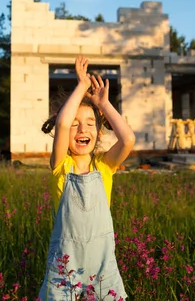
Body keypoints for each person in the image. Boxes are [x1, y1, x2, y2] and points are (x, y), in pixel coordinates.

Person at [38, 56, 135, 300]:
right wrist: (81, 85)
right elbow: (61, 123)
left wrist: (103, 105)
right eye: (76, 124)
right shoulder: (61, 165)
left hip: (103, 264)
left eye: (90, 124)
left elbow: (128, 139)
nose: (82, 130)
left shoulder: (105, 166)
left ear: (99, 132)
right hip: (65, 263)